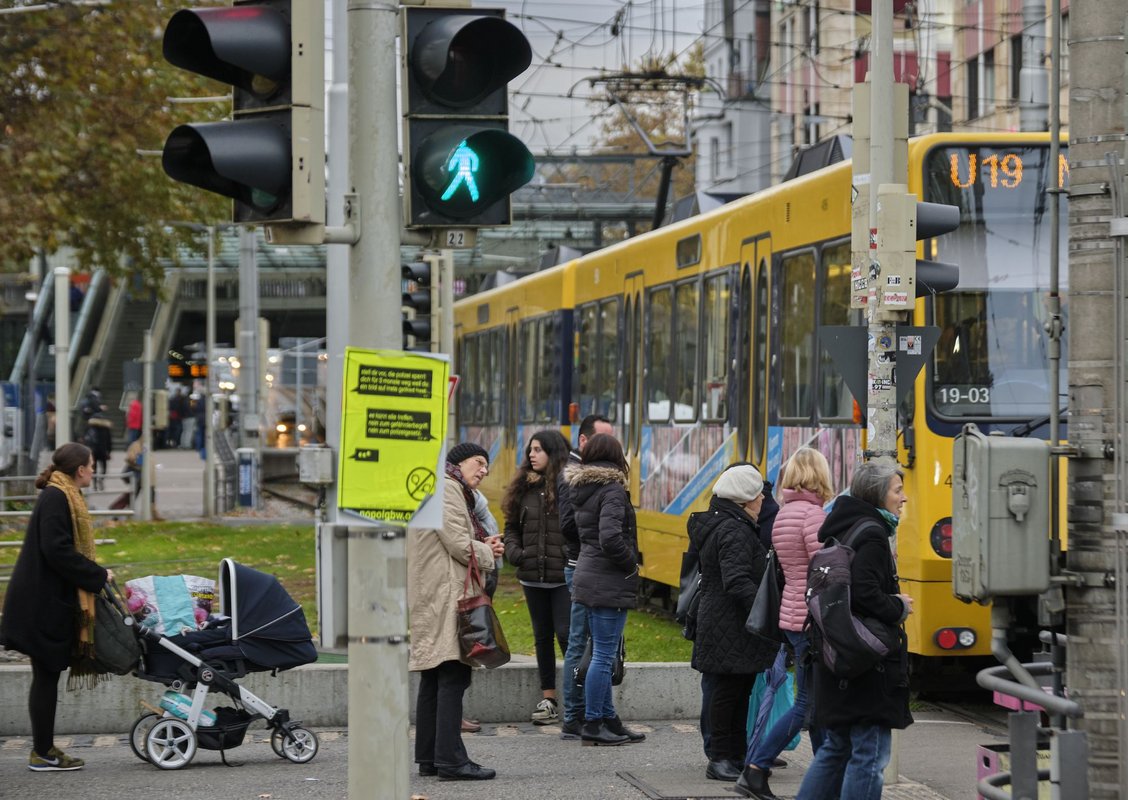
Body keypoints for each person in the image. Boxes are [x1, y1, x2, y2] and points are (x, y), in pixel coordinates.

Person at [796, 461, 914, 800]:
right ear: (878, 494)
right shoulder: (873, 534)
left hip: (837, 655)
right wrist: (898, 606)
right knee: (870, 754)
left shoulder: (843, 527)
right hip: (866, 666)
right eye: (897, 490)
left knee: (836, 748)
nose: (903, 498)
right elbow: (864, 592)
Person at [0, 443, 113, 772]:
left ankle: (44, 750)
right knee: (47, 675)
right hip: (41, 603)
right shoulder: (57, 496)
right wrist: (97, 574)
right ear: (80, 470)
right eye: (91, 466)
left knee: (47, 675)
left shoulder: (61, 494)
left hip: (43, 599)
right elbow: (57, 549)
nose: (93, 470)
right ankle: (42, 752)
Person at [738, 447, 835, 799]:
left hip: (793, 614)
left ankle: (827, 767)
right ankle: (756, 766)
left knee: (814, 700)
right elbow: (823, 568)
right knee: (807, 703)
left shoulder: (784, 513)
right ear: (818, 475)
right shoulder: (812, 516)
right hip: (811, 617)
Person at [408, 442, 504, 781]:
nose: (482, 471)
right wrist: (488, 549)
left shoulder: (439, 486)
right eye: (478, 463)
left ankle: (429, 756)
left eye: (486, 468)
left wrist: (480, 546)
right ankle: (451, 760)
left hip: (436, 590)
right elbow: (460, 545)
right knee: (453, 673)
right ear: (458, 462)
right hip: (445, 593)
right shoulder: (447, 489)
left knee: (435, 675)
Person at [687, 463, 779, 781]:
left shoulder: (724, 523)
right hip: (731, 623)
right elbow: (736, 579)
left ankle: (734, 754)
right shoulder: (734, 529)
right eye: (758, 497)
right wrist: (765, 609)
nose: (763, 502)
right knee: (728, 693)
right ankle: (721, 758)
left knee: (737, 691)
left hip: (725, 622)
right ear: (743, 501)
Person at [567, 433, 645, 746]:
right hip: (607, 578)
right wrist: (631, 567)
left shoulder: (584, 488)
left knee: (602, 649)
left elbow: (576, 531)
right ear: (615, 457)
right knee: (603, 655)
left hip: (589, 572)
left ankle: (609, 719)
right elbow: (611, 537)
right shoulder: (612, 489)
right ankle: (594, 723)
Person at [501, 429, 573, 726]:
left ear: (554, 453)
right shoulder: (523, 489)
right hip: (532, 577)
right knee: (542, 637)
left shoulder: (570, 486)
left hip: (562, 577)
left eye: (539, 449)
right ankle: (549, 699)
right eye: (530, 449)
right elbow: (510, 529)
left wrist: (569, 556)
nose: (531, 454)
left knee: (567, 635)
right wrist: (516, 553)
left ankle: (576, 699)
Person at [560, 413, 614, 739]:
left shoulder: (588, 474)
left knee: (598, 646)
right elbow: (568, 523)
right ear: (583, 441)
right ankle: (574, 716)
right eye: (602, 440)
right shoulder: (574, 474)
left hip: (586, 564)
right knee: (581, 643)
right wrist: (594, 545)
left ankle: (600, 715)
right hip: (581, 565)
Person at [82, 410, 113, 492]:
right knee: (104, 468)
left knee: (93, 468)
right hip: (102, 451)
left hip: (93, 451)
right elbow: (109, 441)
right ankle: (101, 480)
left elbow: (85, 439)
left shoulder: (88, 427)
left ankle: (95, 484)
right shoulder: (106, 428)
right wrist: (109, 451)